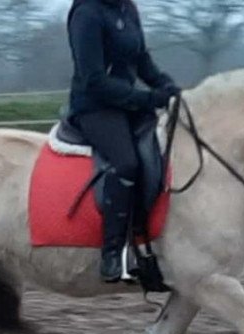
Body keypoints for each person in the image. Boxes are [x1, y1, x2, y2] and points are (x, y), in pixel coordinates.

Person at [67, 0, 180, 283]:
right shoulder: (86, 13)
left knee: (159, 152)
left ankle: (147, 243)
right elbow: (93, 79)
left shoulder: (126, 8)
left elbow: (141, 61)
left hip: (127, 104)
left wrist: (167, 86)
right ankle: (113, 252)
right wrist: (147, 99)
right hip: (94, 107)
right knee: (126, 163)